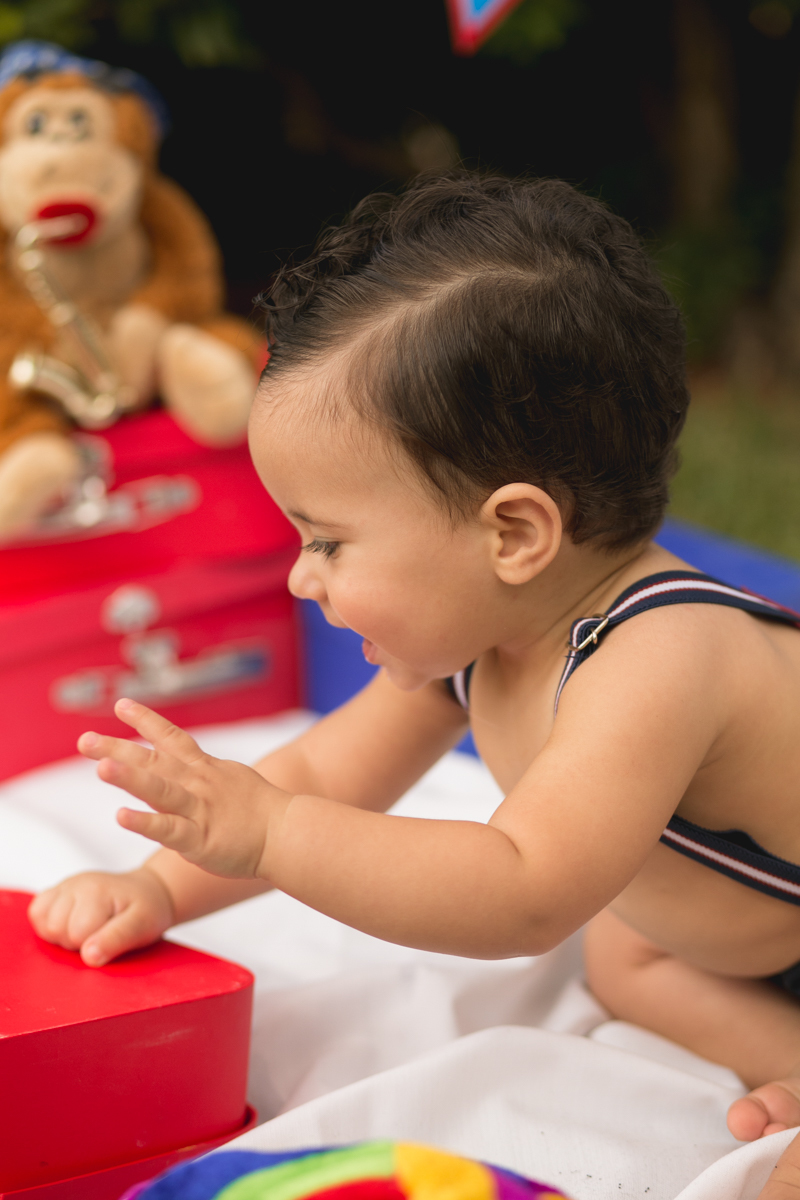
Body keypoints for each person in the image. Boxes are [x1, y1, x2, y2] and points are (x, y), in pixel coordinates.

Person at [29, 173, 800, 1195]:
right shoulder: (479, 635)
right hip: (745, 928)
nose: (302, 579)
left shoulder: (661, 655)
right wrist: (160, 888)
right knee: (627, 954)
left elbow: (523, 888)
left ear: (513, 533)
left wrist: (270, 833)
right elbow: (319, 775)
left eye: (328, 541)